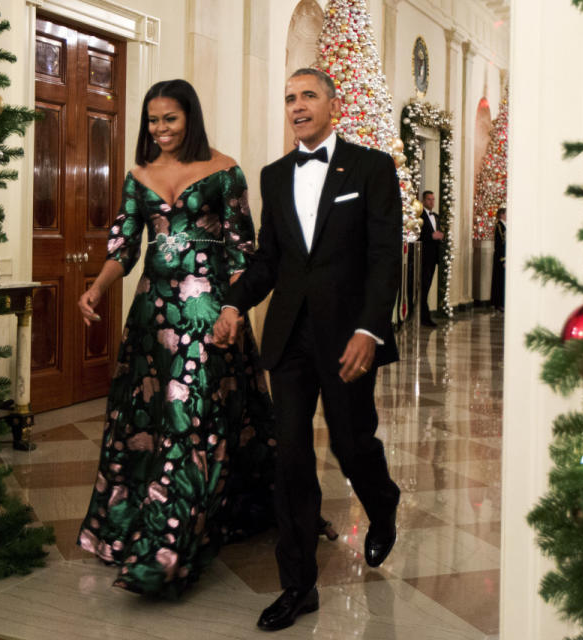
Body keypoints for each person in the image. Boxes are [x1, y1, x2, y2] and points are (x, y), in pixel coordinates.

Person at [213, 67, 402, 632]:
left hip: (348, 338)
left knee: (351, 443)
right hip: (290, 337)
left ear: (333, 106)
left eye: (308, 96)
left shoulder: (371, 167)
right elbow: (270, 259)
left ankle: (383, 500)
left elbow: (384, 256)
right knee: (289, 456)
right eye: (290, 98)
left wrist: (370, 330)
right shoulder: (274, 176)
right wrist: (233, 302)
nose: (297, 106)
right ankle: (298, 585)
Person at [75, 79, 276, 598]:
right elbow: (124, 245)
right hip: (151, 316)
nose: (160, 129)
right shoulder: (138, 175)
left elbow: (242, 250)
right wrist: (97, 288)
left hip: (208, 313)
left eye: (170, 118)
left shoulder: (224, 170)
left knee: (190, 419)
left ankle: (167, 550)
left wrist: (232, 310)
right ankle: (139, 525)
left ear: (191, 118)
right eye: (153, 120)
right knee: (151, 416)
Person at [418, 190, 444, 327]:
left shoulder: (437, 217)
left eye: (433, 199)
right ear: (423, 200)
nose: (432, 202)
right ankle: (423, 317)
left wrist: (440, 236)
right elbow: (417, 235)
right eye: (429, 199)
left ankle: (424, 317)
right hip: (422, 257)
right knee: (422, 287)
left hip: (433, 258)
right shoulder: (419, 215)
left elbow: (436, 233)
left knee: (426, 288)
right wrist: (431, 236)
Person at [491, 206, 506, 311]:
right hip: (501, 257)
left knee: (503, 281)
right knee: (499, 281)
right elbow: (500, 244)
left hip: (505, 256)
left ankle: (502, 302)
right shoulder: (499, 226)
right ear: (501, 215)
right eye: (506, 213)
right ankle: (499, 303)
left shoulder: (505, 225)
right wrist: (503, 259)